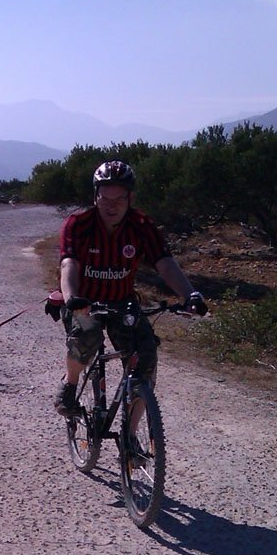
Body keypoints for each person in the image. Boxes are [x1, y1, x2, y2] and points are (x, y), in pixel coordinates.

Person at [45, 160, 208, 416]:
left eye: (119, 199)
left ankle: (131, 442)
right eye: (105, 198)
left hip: (122, 301)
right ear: (95, 196)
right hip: (83, 300)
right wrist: (72, 299)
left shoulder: (141, 226)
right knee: (86, 336)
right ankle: (70, 383)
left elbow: (164, 263)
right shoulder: (78, 224)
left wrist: (190, 294)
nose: (111, 206)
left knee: (145, 359)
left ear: (130, 198)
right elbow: (69, 264)